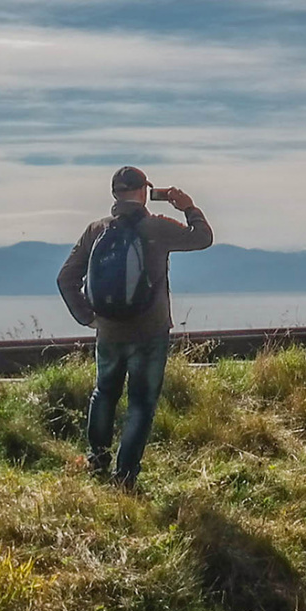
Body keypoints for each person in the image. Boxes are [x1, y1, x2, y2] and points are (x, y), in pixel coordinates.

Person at [56, 166, 214, 488]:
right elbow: (203, 238)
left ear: (115, 194)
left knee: (104, 393)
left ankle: (97, 460)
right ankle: (125, 477)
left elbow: (65, 279)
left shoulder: (96, 230)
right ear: (144, 191)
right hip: (151, 332)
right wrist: (187, 207)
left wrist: (88, 318)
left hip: (109, 332)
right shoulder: (156, 227)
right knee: (141, 404)